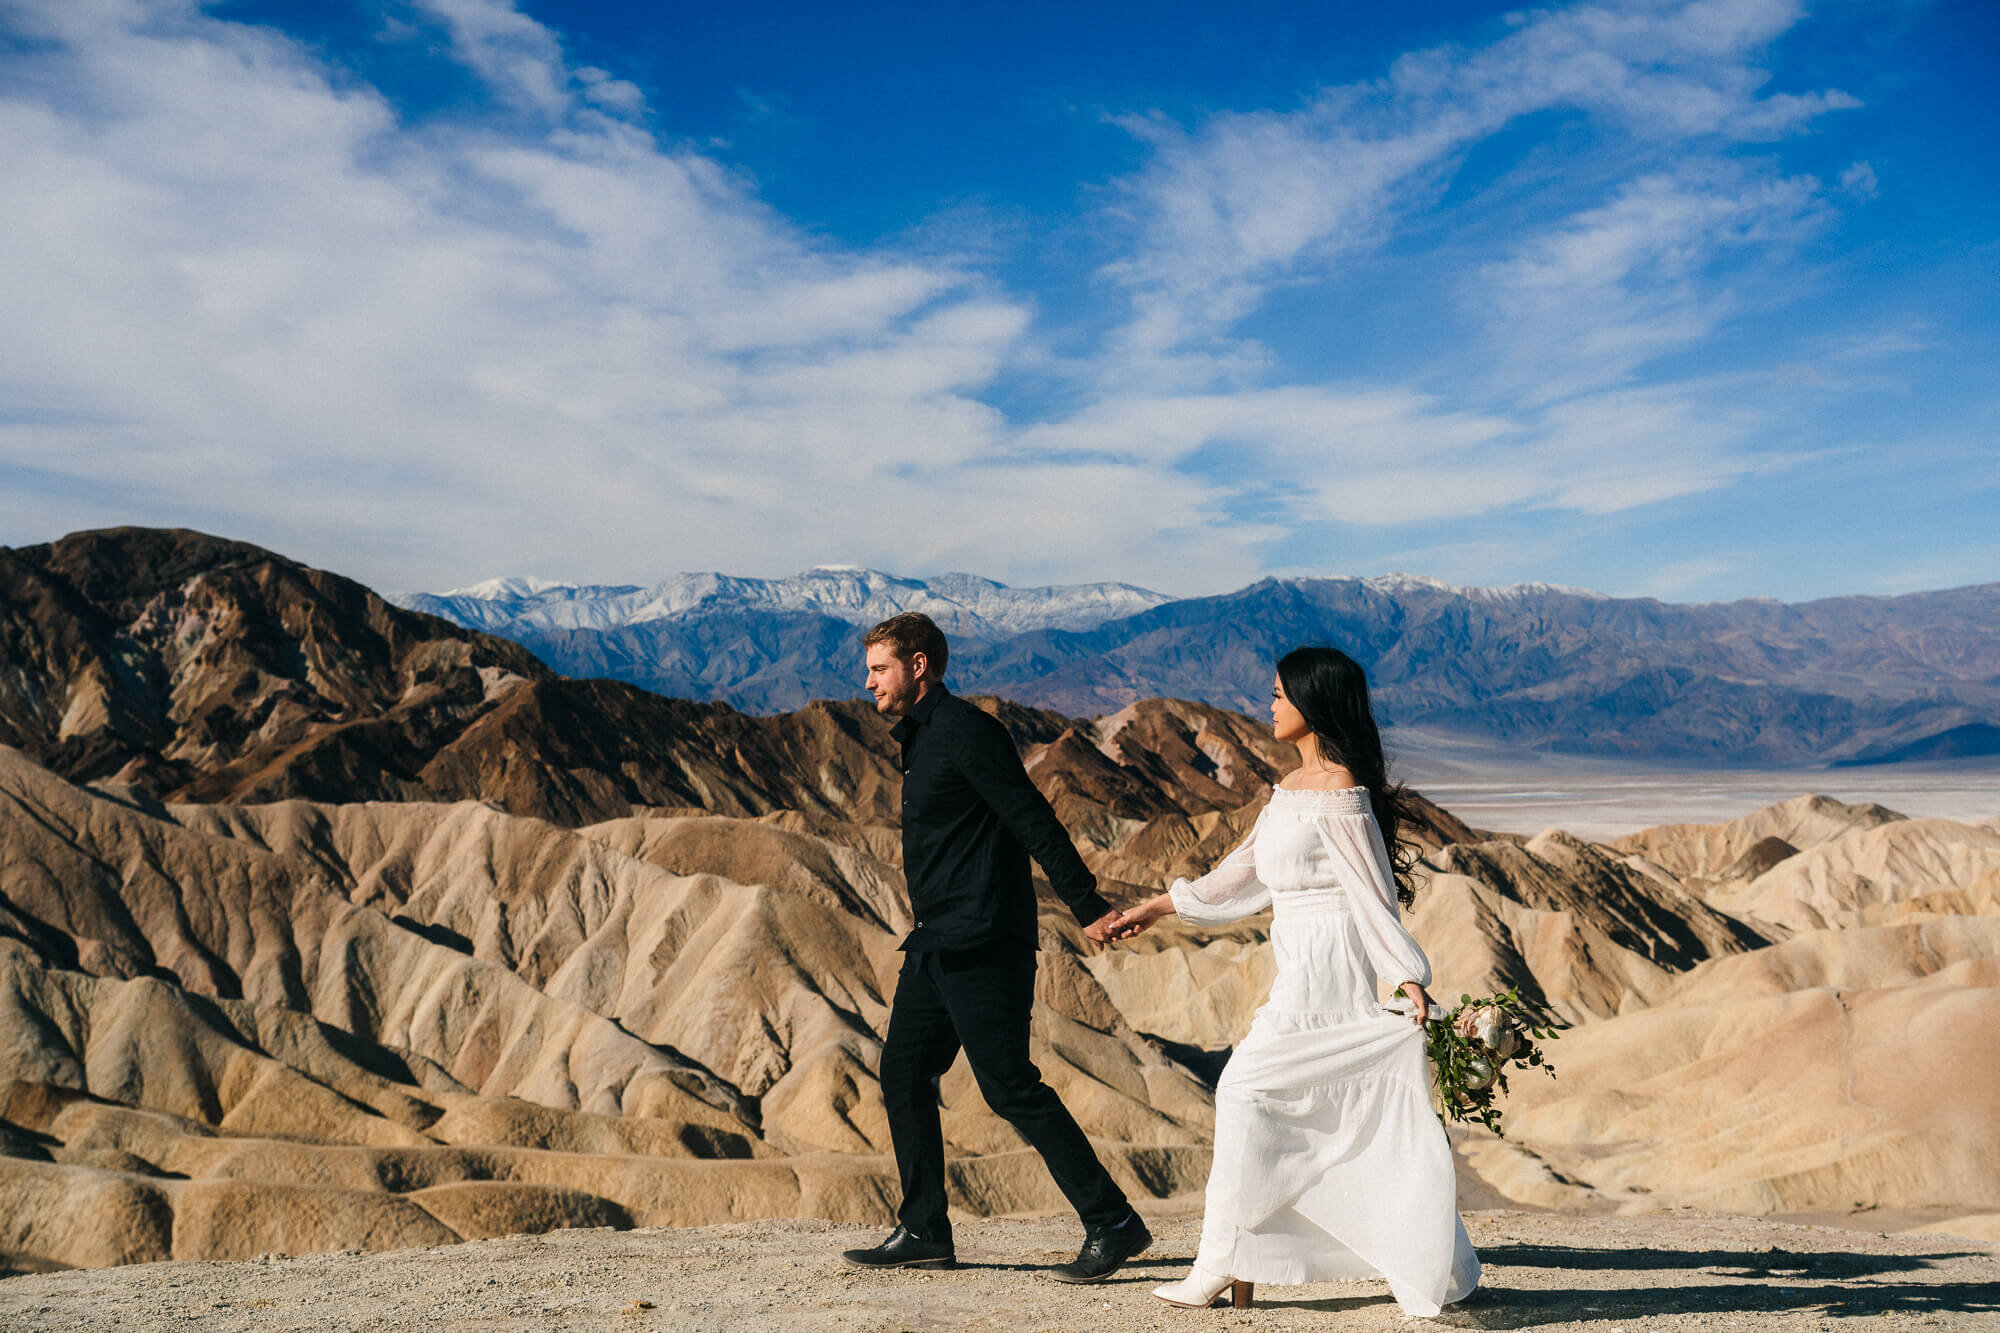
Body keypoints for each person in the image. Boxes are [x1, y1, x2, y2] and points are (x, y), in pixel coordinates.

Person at [1108, 645, 1480, 1317]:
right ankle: (1238, 1261)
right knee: (1258, 1105)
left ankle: (1220, 1263)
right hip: (1296, 974)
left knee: (1247, 1093)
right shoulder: (1288, 790)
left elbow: (1373, 896)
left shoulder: (1341, 792)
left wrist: (1406, 978)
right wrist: (1159, 906)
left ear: (1312, 703)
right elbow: (1241, 871)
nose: (1270, 704)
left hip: (1331, 978)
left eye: (1280, 694)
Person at [840, 611, 1154, 1282]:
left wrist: (1086, 901)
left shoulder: (966, 733)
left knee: (1010, 1085)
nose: (867, 682)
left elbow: (1032, 817)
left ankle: (1112, 1220)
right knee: (903, 1071)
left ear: (918, 665)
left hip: (983, 940)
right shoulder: (922, 738)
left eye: (879, 668)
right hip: (936, 943)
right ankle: (925, 1225)